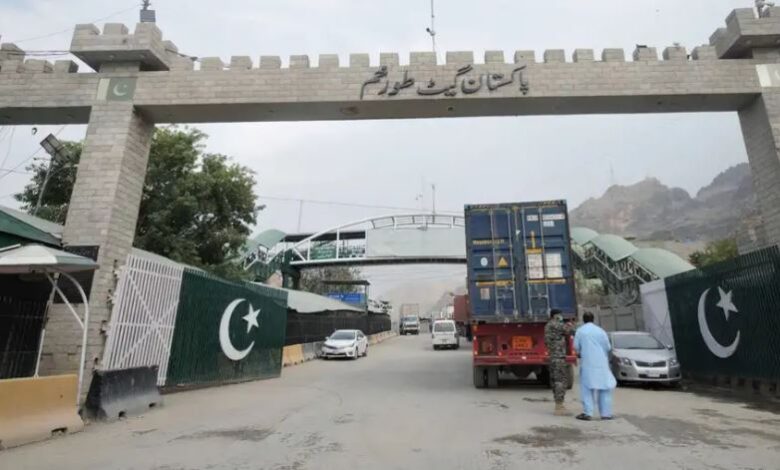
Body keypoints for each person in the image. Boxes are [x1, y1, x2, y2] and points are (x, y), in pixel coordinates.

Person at [573, 312, 617, 421]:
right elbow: (607, 347)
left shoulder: (580, 331)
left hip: (588, 363)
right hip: (601, 363)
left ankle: (588, 413)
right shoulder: (600, 331)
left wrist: (581, 352)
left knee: (587, 388)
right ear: (593, 319)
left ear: (583, 320)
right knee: (604, 388)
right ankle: (606, 414)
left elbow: (576, 346)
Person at [544, 309, 574, 416]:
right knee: (560, 380)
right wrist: (570, 323)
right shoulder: (555, 324)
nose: (561, 317)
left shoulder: (548, 325)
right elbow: (568, 330)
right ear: (555, 316)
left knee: (556, 380)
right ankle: (559, 406)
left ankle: (558, 404)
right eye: (559, 315)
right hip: (558, 357)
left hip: (553, 356)